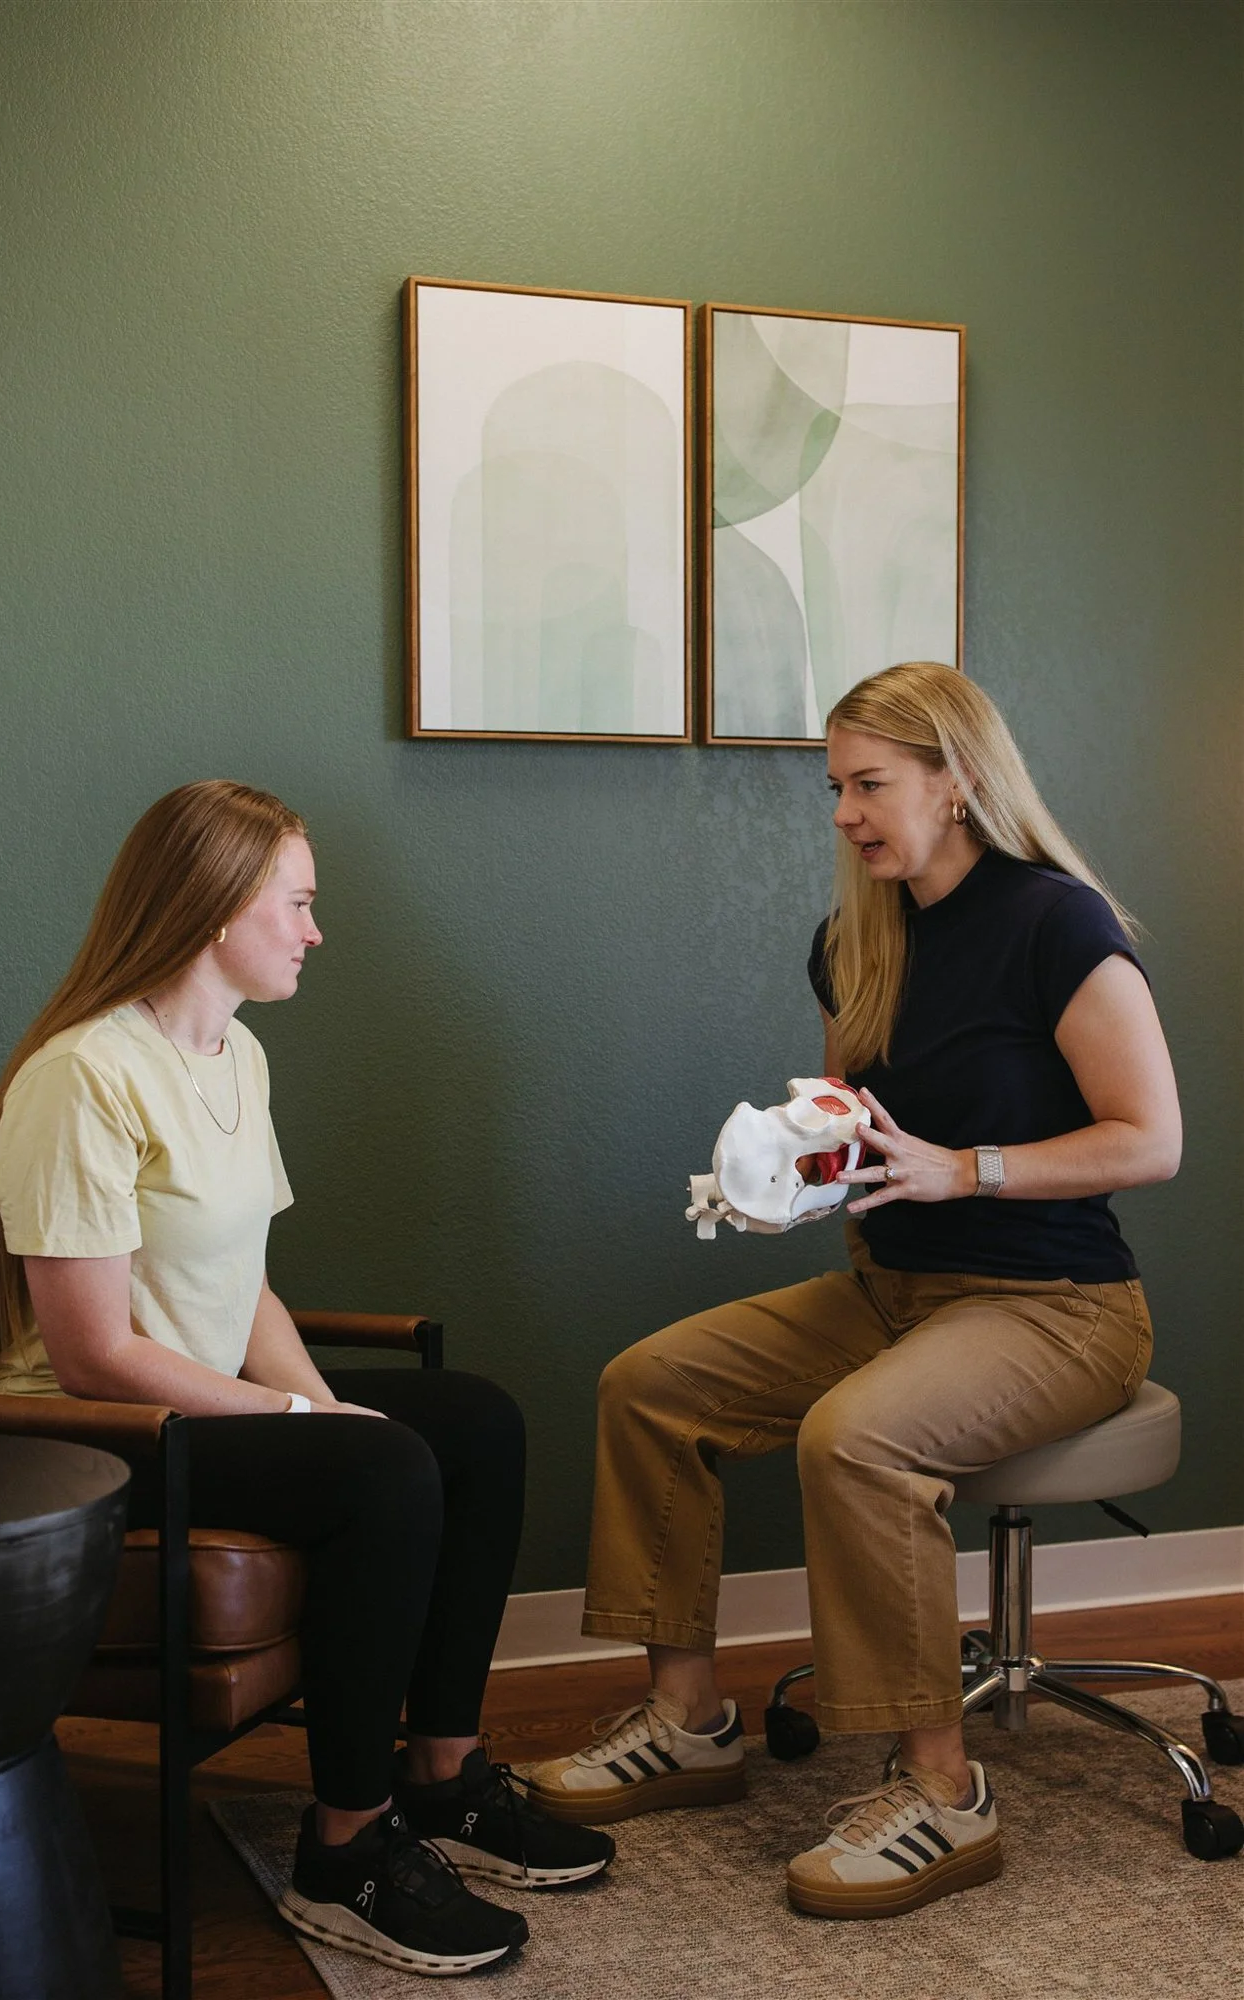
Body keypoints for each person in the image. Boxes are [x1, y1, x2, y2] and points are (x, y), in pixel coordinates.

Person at [530, 661, 1180, 1919]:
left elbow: (1149, 1139)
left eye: (868, 783)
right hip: (894, 1288)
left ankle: (942, 1791)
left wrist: (965, 1167)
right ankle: (685, 1717)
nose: (842, 810)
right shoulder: (856, 938)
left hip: (1057, 1305)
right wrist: (781, 1170)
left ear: (960, 782)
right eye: (836, 786)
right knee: (650, 1385)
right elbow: (858, 1135)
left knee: (857, 1437)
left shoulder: (1058, 923)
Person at [0, 779, 613, 1978]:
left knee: (472, 1417)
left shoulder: (237, 1053)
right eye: (299, 904)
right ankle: (346, 1850)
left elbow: (248, 1288)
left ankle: (441, 1774)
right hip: (89, 1436)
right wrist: (308, 1420)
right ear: (217, 910)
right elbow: (92, 1352)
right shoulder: (81, 1073)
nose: (316, 931)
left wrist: (325, 1402)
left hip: (197, 1398)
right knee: (377, 1464)